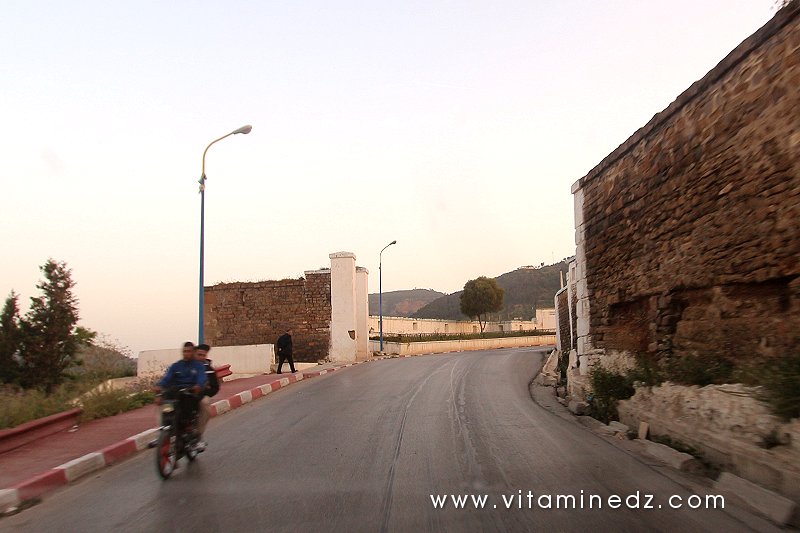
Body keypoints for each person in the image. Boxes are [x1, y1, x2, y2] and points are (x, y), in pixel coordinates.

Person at [194, 343, 220, 451]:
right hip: (184, 395)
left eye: (203, 355)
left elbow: (215, 387)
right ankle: (163, 430)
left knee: (205, 404)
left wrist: (204, 392)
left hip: (200, 396)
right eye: (199, 355)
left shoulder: (208, 369)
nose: (201, 357)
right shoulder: (185, 366)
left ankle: (198, 437)